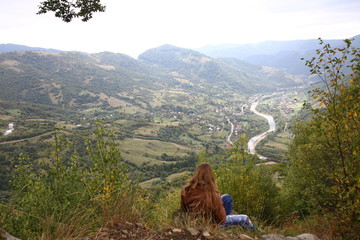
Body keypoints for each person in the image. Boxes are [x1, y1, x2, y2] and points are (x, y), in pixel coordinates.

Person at [180, 162, 256, 230]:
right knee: (245, 218)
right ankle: (257, 233)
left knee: (226, 197)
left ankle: (228, 226)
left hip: (196, 220)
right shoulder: (211, 193)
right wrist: (221, 209)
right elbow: (221, 219)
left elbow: (184, 210)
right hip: (212, 224)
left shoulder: (186, 190)